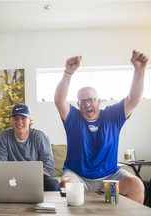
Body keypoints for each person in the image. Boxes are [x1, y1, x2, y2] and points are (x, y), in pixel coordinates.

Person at [54, 50, 148, 204]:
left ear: (100, 101)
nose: (87, 104)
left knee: (136, 184)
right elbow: (59, 100)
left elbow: (133, 99)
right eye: (82, 101)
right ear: (78, 104)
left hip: (110, 177)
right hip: (78, 176)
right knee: (67, 185)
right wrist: (68, 73)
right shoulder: (73, 118)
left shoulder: (113, 116)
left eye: (90, 100)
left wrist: (139, 70)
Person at [0, 103, 60, 191]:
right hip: (11, 179)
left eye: (23, 118)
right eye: (16, 118)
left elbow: (49, 168)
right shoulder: (3, 136)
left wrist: (36, 174)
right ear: (11, 121)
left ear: (29, 120)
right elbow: (0, 166)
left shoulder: (40, 136)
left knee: (54, 184)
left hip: (35, 179)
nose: (19, 122)